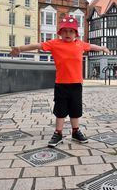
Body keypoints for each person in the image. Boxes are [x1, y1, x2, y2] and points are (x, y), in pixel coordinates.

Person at [10, 16, 110, 147]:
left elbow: (91, 46)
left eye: (71, 31)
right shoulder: (54, 43)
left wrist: (102, 48)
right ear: (60, 32)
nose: (67, 34)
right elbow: (37, 45)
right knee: (60, 110)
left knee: (75, 109)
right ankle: (58, 133)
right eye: (65, 31)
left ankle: (75, 131)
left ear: (75, 33)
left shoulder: (80, 44)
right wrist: (20, 48)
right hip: (61, 84)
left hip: (76, 84)